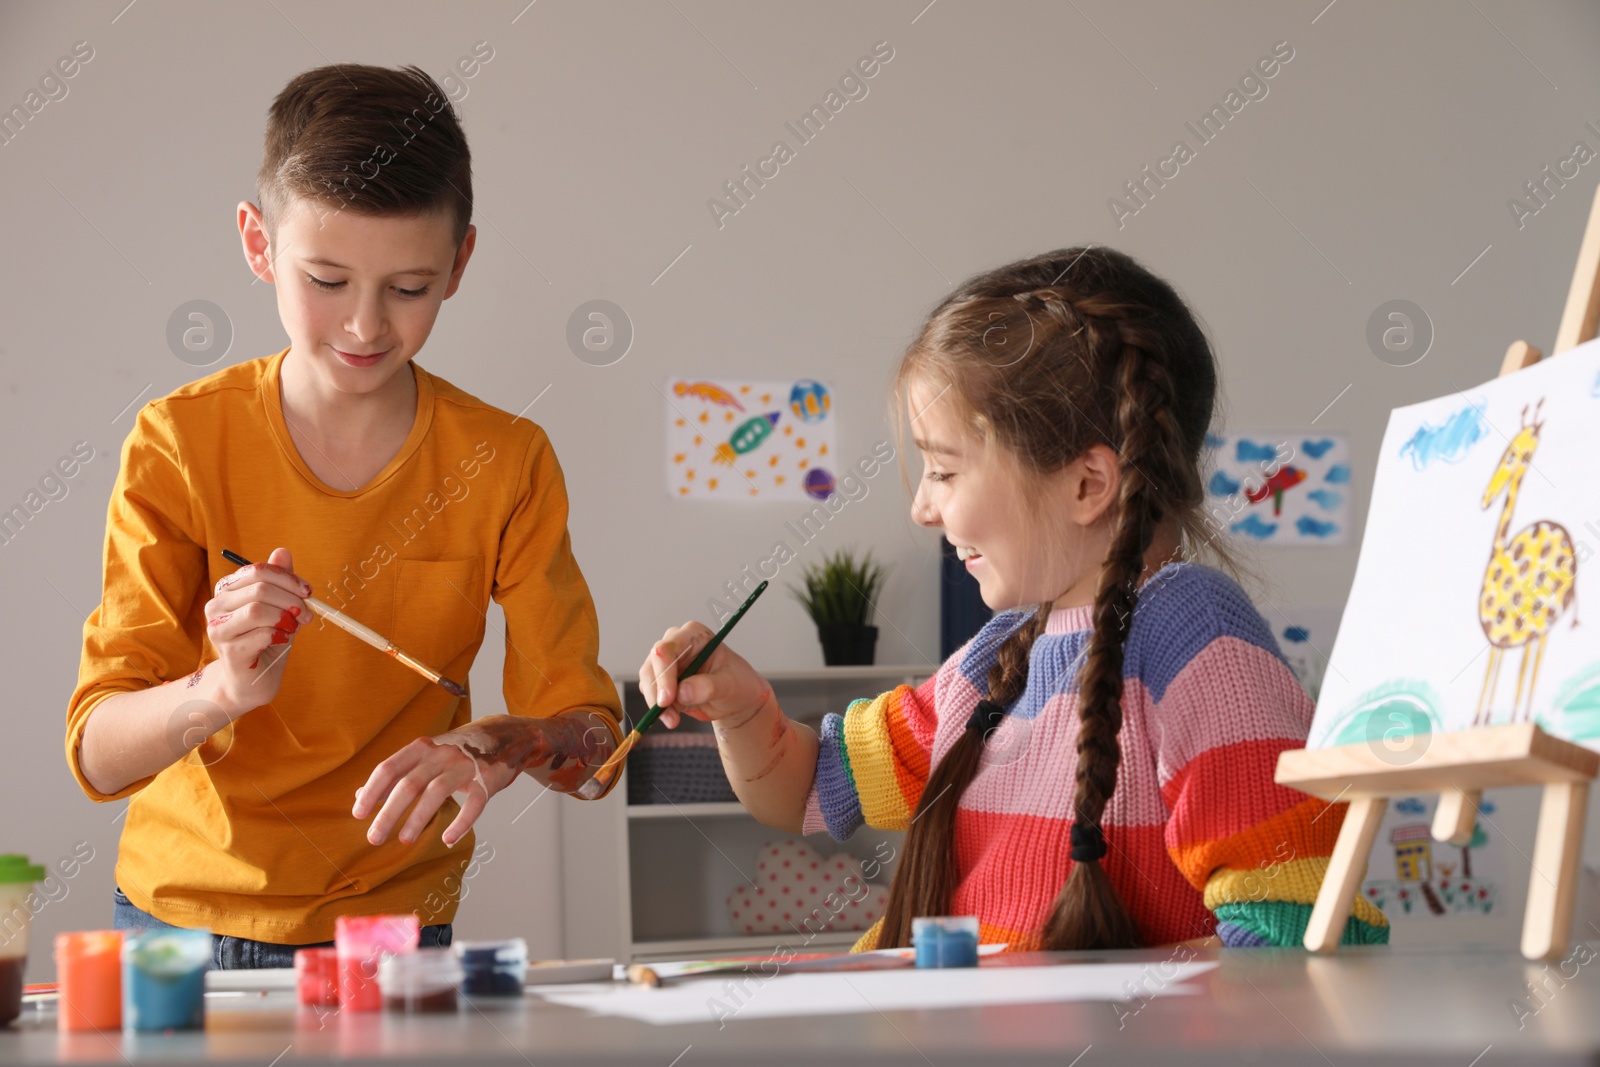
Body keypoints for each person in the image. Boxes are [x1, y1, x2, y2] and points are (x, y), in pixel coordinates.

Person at [639, 247, 1388, 950]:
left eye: (945, 471)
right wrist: (742, 710)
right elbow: (805, 786)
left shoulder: (1198, 639)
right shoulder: (997, 654)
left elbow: (1302, 931)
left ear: (1088, 484)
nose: (923, 510)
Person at [64, 64, 621, 968]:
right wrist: (218, 692)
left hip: (391, 930)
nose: (364, 327)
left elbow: (593, 749)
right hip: (179, 922)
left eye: (407, 288)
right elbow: (96, 755)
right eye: (325, 279)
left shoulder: (508, 461)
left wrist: (501, 744)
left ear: (461, 262)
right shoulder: (178, 441)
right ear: (257, 243)